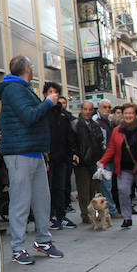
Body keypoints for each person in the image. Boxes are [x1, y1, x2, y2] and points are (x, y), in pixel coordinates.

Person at [0, 56, 63, 265]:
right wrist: (48, 103)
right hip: (19, 153)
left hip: (33, 152)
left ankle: (43, 240)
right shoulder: (14, 88)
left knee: (42, 200)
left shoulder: (22, 88)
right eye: (32, 66)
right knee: (20, 202)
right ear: (26, 68)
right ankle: (17, 248)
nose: (32, 69)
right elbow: (29, 116)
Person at [44, 82, 78, 230]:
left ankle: (61, 215)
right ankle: (50, 216)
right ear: (45, 94)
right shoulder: (43, 112)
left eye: (56, 92)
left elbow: (70, 135)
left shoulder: (63, 114)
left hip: (63, 157)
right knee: (48, 188)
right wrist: (45, 157)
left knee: (61, 187)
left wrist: (73, 152)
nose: (54, 95)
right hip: (49, 157)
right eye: (51, 92)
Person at [73, 101, 103, 224]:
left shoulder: (95, 125)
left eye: (90, 109)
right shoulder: (75, 125)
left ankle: (93, 212)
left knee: (93, 188)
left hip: (93, 161)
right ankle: (85, 214)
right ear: (81, 110)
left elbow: (100, 142)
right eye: (85, 109)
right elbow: (73, 142)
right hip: (82, 162)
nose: (88, 112)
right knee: (83, 189)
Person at [93, 99, 121, 216]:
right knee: (106, 186)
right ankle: (110, 210)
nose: (107, 109)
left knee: (109, 185)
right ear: (99, 108)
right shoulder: (96, 120)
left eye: (109, 107)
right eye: (104, 107)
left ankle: (108, 209)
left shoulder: (109, 121)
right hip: (102, 158)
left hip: (110, 157)